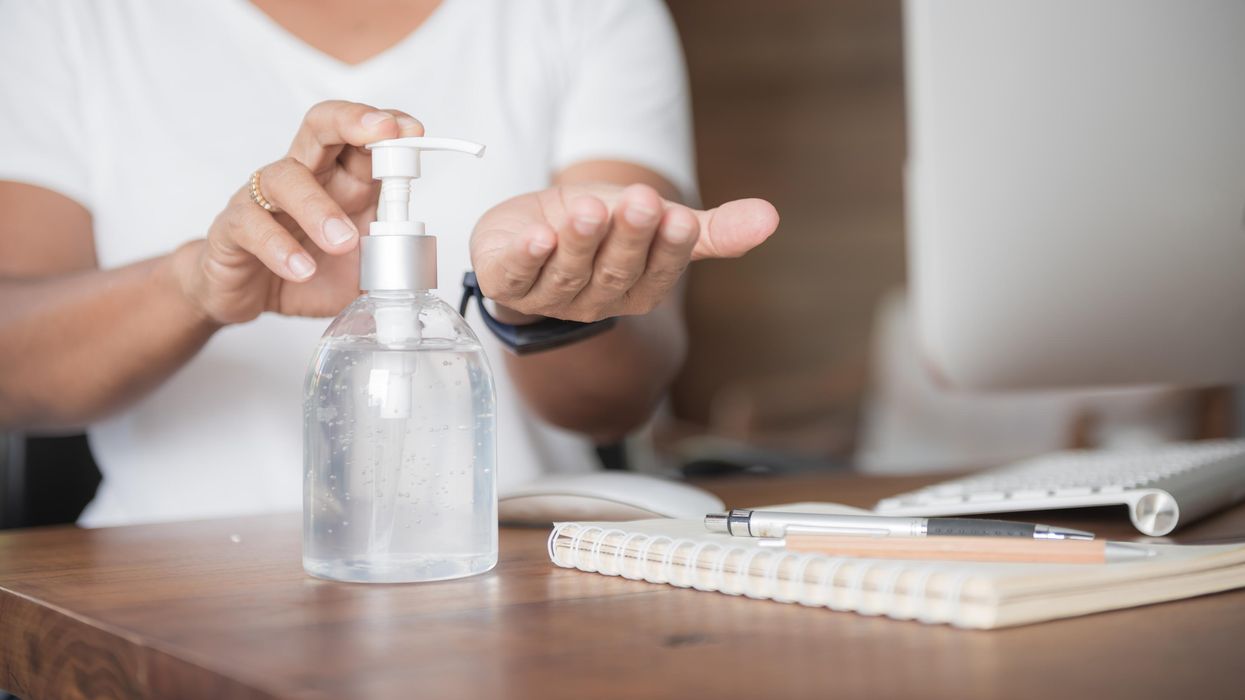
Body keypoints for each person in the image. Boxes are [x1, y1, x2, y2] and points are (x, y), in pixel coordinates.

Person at [0, 0, 779, 526]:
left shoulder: (583, 13)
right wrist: (195, 282)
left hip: (507, 584)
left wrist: (535, 301)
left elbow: (617, 397)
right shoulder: (65, 19)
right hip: (156, 589)